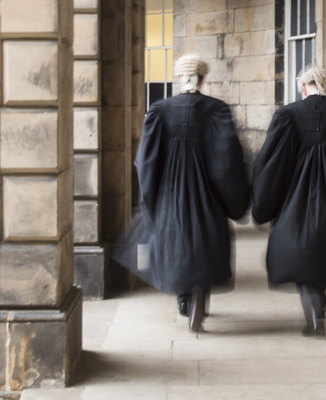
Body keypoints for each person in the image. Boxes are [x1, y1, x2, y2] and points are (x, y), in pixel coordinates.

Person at [125, 54, 250, 332]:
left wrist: (150, 196)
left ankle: (183, 298)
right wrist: (234, 197)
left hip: (170, 192)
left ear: (179, 77)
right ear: (204, 78)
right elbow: (227, 159)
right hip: (208, 191)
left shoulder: (159, 110)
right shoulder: (217, 110)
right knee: (205, 241)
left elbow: (146, 160)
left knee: (175, 240)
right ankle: (197, 302)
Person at [251, 67, 326, 336]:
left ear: (303, 88)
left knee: (302, 253)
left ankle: (314, 314)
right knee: (325, 248)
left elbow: (272, 165)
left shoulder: (286, 116)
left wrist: (264, 203)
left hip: (295, 201)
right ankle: (319, 300)